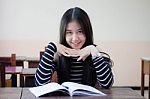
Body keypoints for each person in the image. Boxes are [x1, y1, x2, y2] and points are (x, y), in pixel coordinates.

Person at [35, 7, 114, 88]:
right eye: (69, 32)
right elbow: (40, 83)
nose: (75, 38)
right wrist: (52, 46)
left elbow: (107, 84)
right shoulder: (58, 55)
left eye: (80, 32)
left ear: (87, 32)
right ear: (64, 34)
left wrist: (93, 50)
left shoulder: (95, 53)